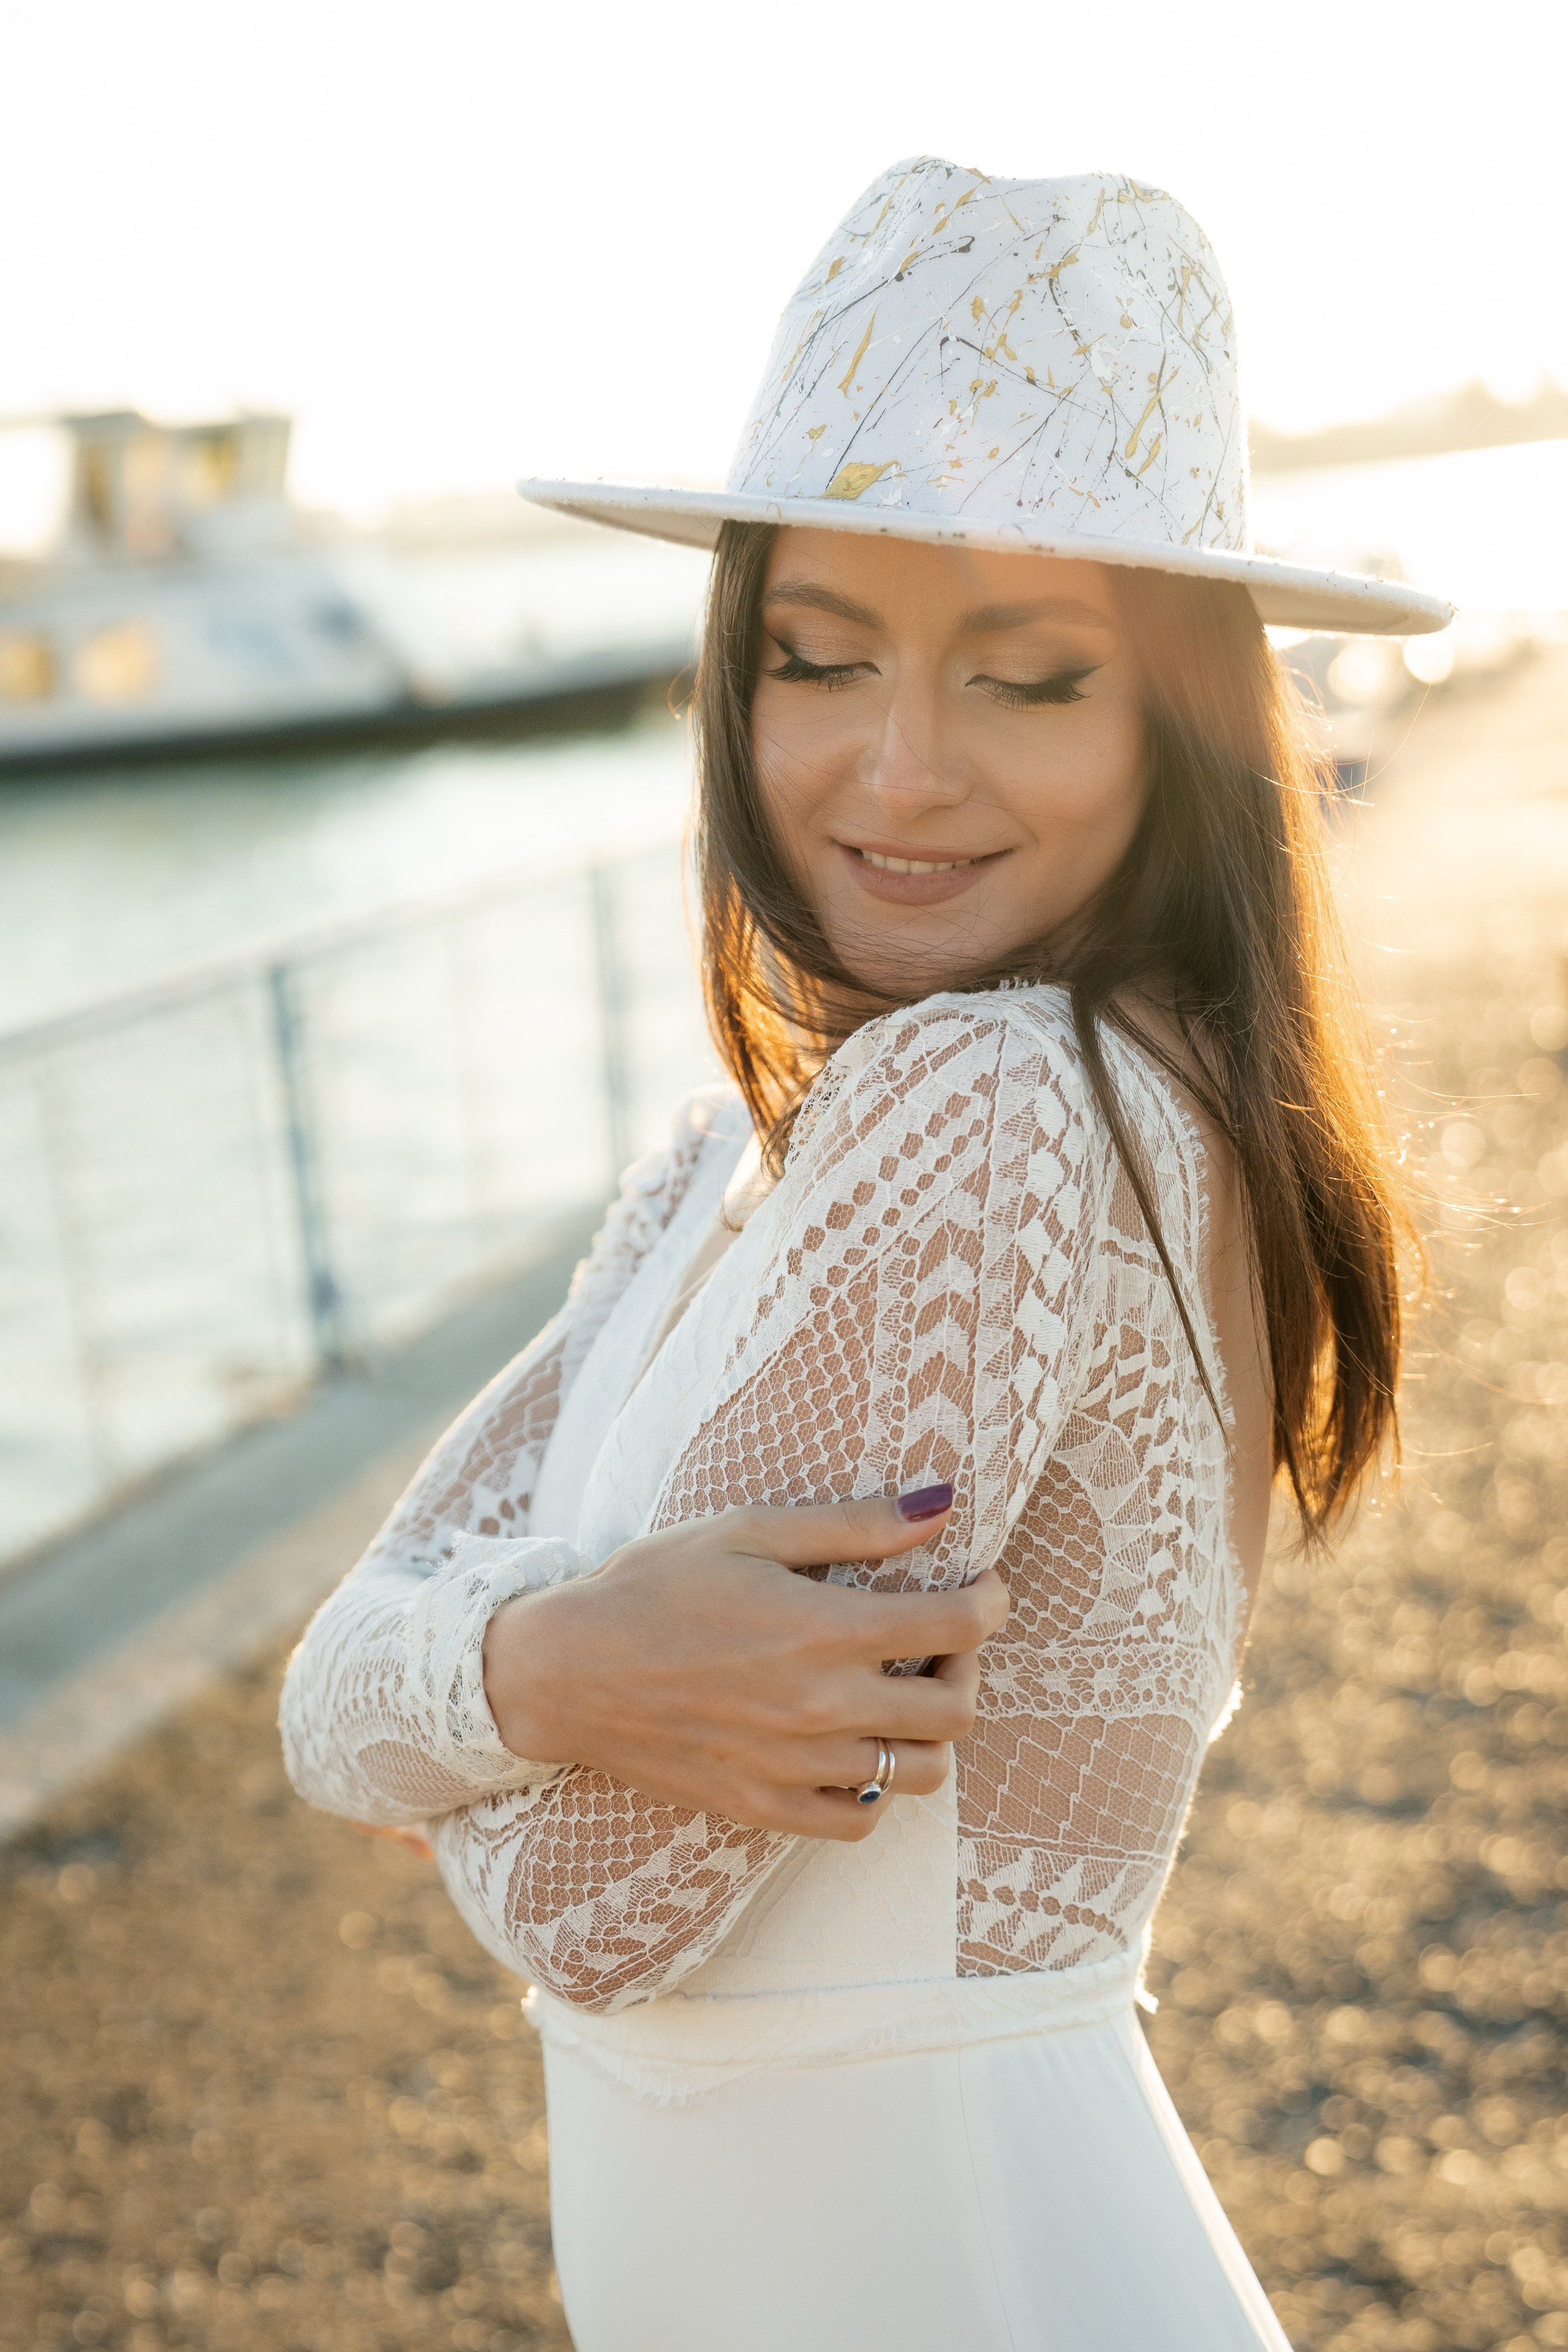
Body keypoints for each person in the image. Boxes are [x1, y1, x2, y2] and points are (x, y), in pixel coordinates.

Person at [280, 158, 1451, 2350]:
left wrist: (486, 1686)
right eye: (819, 658)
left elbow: (592, 1909)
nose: (899, 775)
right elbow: (314, 1709)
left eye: (1029, 680)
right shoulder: (734, 1156)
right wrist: (559, 1671)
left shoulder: (997, 1105)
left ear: (1177, 716)